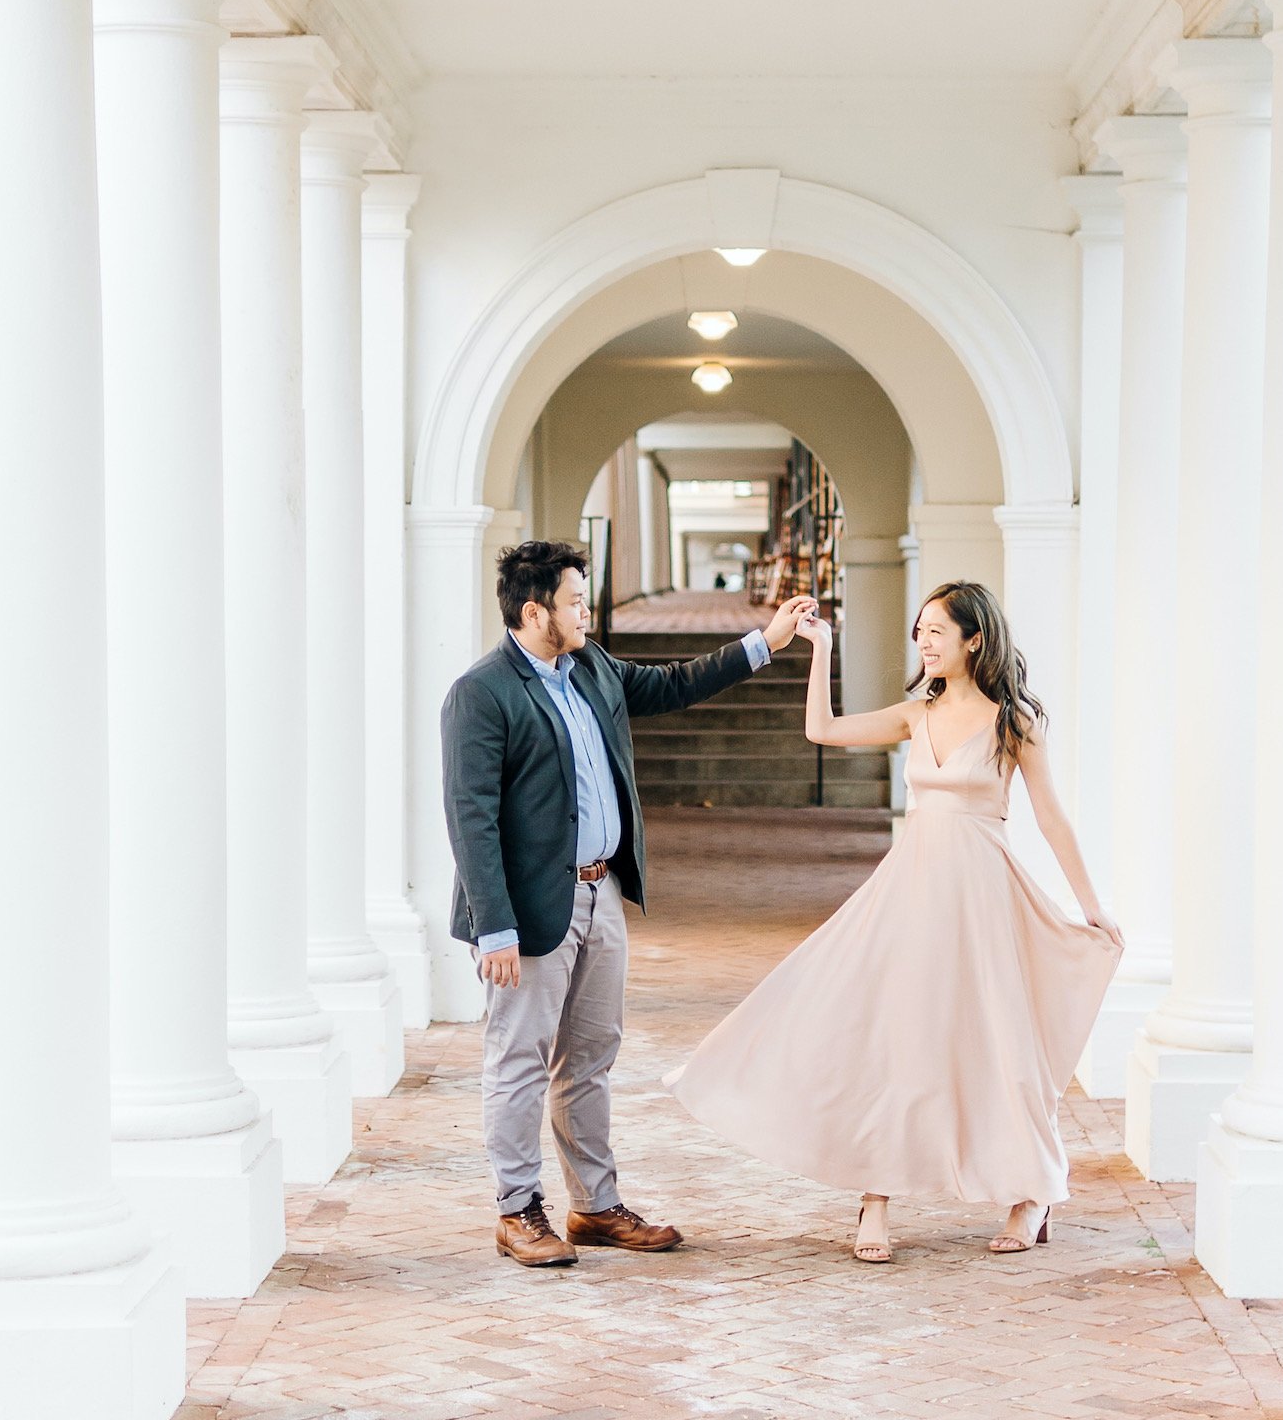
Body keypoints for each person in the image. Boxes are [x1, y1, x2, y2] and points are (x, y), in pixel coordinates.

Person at [668, 580, 1122, 1263]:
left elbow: (1052, 817)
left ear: (975, 638)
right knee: (888, 1038)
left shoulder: (1013, 722)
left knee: (1003, 1046)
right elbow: (821, 730)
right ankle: (874, 1199)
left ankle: (1031, 1193)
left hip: (982, 899)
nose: (924, 642)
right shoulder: (916, 715)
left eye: (937, 630)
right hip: (909, 894)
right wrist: (821, 649)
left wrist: (1091, 904)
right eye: (919, 631)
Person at [441, 539, 813, 1267]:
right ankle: (517, 1211)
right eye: (575, 601)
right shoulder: (481, 693)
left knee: (591, 1056)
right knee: (518, 1059)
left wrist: (762, 645)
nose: (586, 610)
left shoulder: (593, 668)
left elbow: (672, 684)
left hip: (600, 891)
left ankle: (595, 1207)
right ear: (533, 610)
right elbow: (470, 817)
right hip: (529, 911)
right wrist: (495, 928)